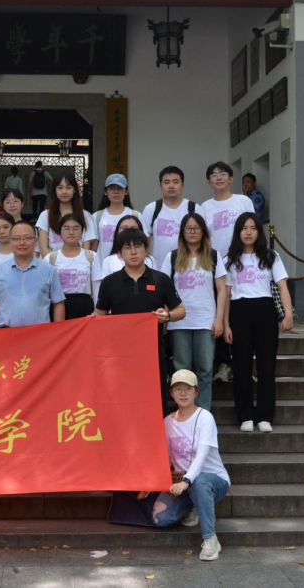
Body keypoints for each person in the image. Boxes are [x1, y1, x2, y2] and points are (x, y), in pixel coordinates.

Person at [139, 370, 230, 562]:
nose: (183, 393)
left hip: (211, 480)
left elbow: (202, 455)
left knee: (199, 482)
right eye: (178, 388)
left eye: (188, 388)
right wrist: (152, 481)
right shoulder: (167, 422)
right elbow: (165, 457)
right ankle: (194, 506)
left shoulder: (205, 418)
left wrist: (187, 480)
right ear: (171, 393)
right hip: (181, 482)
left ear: (196, 392)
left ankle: (210, 539)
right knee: (160, 518)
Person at [94, 228, 185, 415]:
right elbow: (99, 314)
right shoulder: (110, 282)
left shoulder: (161, 279)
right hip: (119, 354)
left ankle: (155, 432)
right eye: (127, 248)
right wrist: (88, 321)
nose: (133, 252)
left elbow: (181, 310)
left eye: (138, 246)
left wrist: (167, 316)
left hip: (153, 351)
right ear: (120, 253)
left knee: (155, 396)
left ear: (147, 249)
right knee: (123, 396)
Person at [224, 213, 293, 433]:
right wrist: (225, 324)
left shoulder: (271, 256)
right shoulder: (229, 260)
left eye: (253, 228)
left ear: (259, 232)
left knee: (266, 365)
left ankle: (265, 415)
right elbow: (226, 295)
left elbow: (282, 286)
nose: (248, 232)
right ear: (238, 232)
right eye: (244, 228)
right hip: (239, 312)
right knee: (241, 365)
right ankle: (245, 415)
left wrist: (288, 314)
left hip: (265, 311)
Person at [161, 213, 226, 412]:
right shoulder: (172, 257)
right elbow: (164, 290)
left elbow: (222, 290)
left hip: (206, 321)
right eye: (188, 228)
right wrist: (165, 319)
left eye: (196, 228)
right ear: (182, 232)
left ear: (203, 231)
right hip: (179, 321)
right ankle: (184, 412)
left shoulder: (213, 256)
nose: (192, 232)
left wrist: (219, 320)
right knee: (181, 370)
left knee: (205, 369)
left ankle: (203, 413)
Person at [202, 161, 255, 383]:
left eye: (223, 173)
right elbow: (203, 239)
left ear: (231, 178)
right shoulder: (204, 207)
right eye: (214, 175)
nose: (219, 177)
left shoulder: (243, 201)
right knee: (220, 314)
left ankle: (244, 364)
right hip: (217, 268)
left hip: (242, 265)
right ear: (209, 181)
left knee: (241, 315)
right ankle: (224, 363)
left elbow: (253, 230)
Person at [0, 220, 66, 329]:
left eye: (27, 238)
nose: (22, 243)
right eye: (16, 239)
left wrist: (59, 332)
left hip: (39, 333)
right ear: (10, 241)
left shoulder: (49, 270)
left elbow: (58, 303)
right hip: (6, 333)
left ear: (35, 241)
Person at [141, 166, 205, 272]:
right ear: (160, 186)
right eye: (166, 182)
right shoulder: (151, 209)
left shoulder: (194, 208)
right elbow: (144, 242)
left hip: (189, 269)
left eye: (175, 182)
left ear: (183, 185)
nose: (171, 186)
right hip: (158, 269)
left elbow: (203, 239)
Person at [44, 213, 102, 319]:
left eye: (76, 228)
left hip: (85, 305)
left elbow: (97, 288)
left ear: (82, 231)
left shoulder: (92, 256)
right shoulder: (50, 258)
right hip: (59, 306)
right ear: (60, 231)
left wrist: (97, 311)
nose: (71, 232)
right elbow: (45, 291)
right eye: (66, 228)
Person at [36, 172, 97, 257]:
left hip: (79, 264)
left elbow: (86, 246)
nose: (64, 192)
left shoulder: (85, 215)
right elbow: (43, 248)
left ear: (74, 190)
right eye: (60, 188)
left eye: (68, 187)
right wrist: (54, 263)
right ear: (55, 190)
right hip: (53, 263)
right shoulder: (46, 215)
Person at [93, 173, 139, 266]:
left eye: (120, 188)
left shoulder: (136, 215)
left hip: (130, 266)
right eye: (112, 188)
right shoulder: (97, 216)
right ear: (105, 192)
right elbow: (94, 245)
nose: (116, 192)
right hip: (104, 267)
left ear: (126, 191)